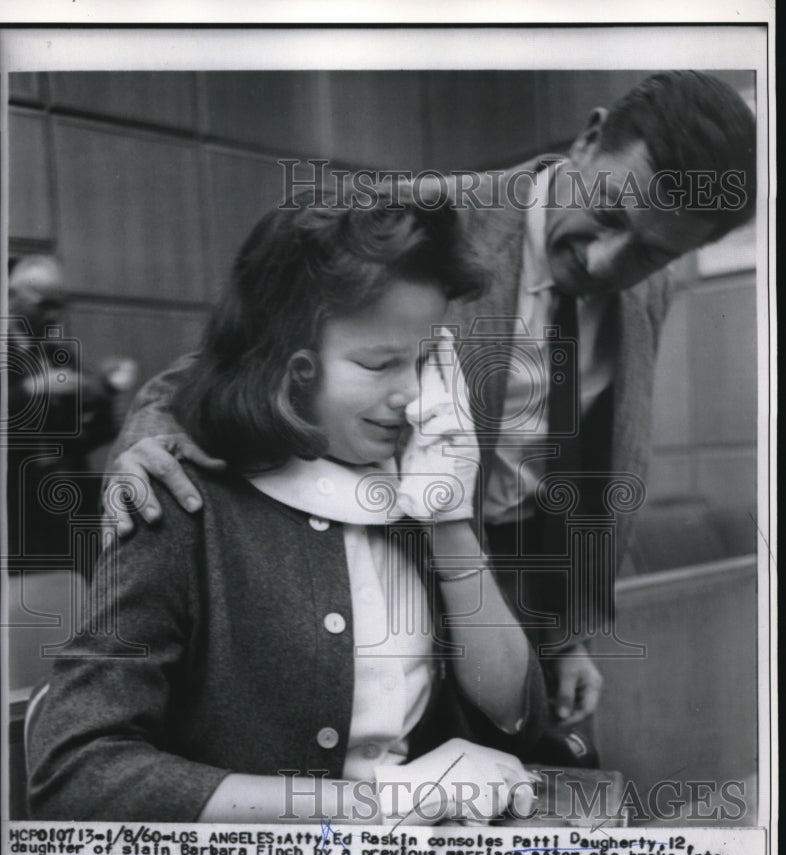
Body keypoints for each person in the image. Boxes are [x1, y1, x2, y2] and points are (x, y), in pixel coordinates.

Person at [101, 71, 756, 740]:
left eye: (650, 251)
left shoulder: (649, 292)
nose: (606, 259)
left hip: (521, 576)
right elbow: (236, 360)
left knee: (544, 791)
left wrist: (566, 636)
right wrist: (147, 443)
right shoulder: (421, 220)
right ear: (587, 141)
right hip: (399, 570)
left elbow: (588, 465)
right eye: (610, 213)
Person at [27, 191, 548, 824]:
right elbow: (75, 773)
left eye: (425, 361)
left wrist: (450, 522)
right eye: (379, 363)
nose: (413, 398)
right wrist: (377, 801)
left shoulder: (419, 474)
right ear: (286, 365)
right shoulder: (182, 499)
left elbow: (513, 720)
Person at [5, 254, 137, 565]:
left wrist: (106, 392)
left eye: (59, 305)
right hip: (13, 503)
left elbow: (86, 437)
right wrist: (31, 389)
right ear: (11, 297)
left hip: (67, 501)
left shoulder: (60, 355)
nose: (54, 317)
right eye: (44, 304)